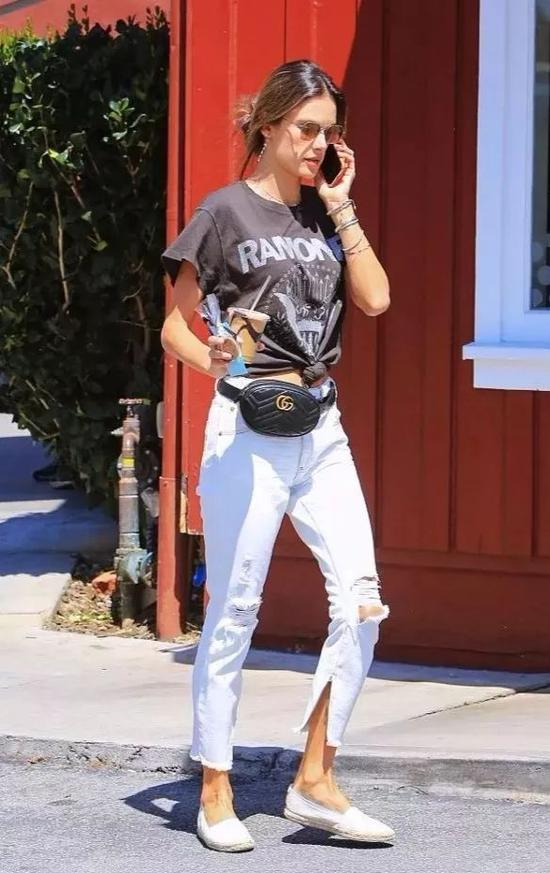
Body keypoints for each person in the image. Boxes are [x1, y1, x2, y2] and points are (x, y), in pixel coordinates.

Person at [161, 58, 393, 852]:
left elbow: (376, 298)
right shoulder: (223, 211)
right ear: (268, 124)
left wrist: (344, 205)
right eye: (306, 129)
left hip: (322, 425)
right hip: (249, 426)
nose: (318, 144)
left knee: (362, 601)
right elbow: (174, 325)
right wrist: (213, 358)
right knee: (236, 608)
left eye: (329, 133)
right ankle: (214, 787)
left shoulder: (328, 215)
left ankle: (315, 778)